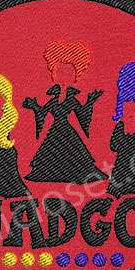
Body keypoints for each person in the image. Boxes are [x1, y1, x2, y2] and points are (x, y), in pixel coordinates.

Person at [22, 41, 106, 183]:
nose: (64, 77)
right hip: (55, 131)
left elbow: (82, 113)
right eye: (60, 72)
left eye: (68, 73)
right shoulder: (53, 100)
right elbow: (43, 112)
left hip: (66, 130)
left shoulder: (71, 99)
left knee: (73, 151)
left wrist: (91, 101)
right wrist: (34, 106)